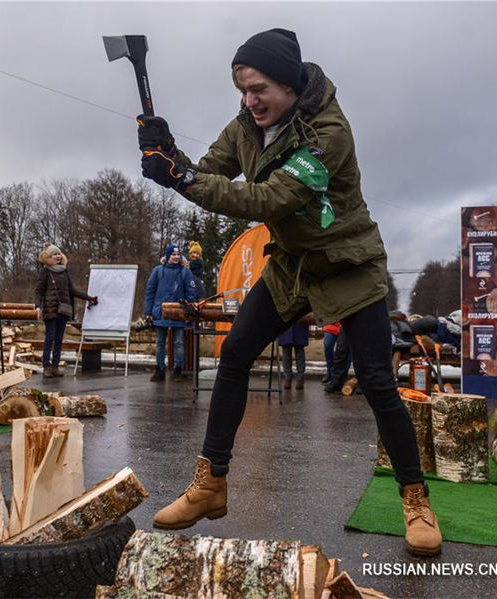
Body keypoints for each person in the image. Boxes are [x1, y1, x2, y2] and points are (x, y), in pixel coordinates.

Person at [136, 28, 441, 556]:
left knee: (375, 382)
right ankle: (210, 484)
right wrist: (166, 155)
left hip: (348, 264)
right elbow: (208, 174)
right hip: (292, 266)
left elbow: (268, 199)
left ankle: (415, 499)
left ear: (289, 83)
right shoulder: (246, 126)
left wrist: (181, 177)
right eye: (242, 89)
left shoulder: (328, 132)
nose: (250, 100)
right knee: (233, 354)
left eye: (259, 89)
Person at [34, 243, 97, 378]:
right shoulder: (45, 271)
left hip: (63, 310)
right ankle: (46, 366)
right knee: (50, 338)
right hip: (50, 310)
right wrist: (38, 306)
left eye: (58, 254)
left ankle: (55, 366)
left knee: (59, 339)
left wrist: (88, 298)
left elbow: (72, 291)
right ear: (49, 257)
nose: (57, 256)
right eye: (54, 254)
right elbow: (39, 291)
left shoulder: (64, 271)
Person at [144, 244, 197, 382]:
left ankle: (177, 370)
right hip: (160, 312)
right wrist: (148, 312)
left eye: (178, 255)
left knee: (178, 342)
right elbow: (150, 291)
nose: (176, 257)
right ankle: (160, 370)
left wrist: (190, 311)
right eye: (173, 255)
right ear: (168, 256)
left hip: (179, 312)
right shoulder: (158, 271)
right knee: (160, 342)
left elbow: (191, 293)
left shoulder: (185, 272)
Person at [277, 323, 308, 389]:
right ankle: (287, 377)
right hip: (286, 322)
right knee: (286, 352)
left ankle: (300, 378)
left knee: (299, 352)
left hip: (300, 323)